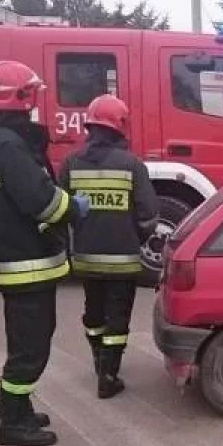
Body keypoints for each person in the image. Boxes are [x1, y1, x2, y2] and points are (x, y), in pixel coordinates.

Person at [0, 60, 89, 446]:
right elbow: (40, 200)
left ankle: (13, 407)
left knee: (27, 340)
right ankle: (12, 422)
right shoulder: (7, 143)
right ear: (19, 97)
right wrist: (73, 207)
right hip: (27, 262)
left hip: (17, 259)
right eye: (31, 93)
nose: (36, 99)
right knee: (31, 345)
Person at [61, 94, 158, 399]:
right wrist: (133, 238)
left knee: (94, 313)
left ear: (90, 126)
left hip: (86, 258)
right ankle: (109, 374)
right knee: (117, 316)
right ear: (120, 127)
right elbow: (149, 216)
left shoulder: (71, 163)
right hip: (123, 260)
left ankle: (98, 361)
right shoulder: (132, 165)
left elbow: (59, 207)